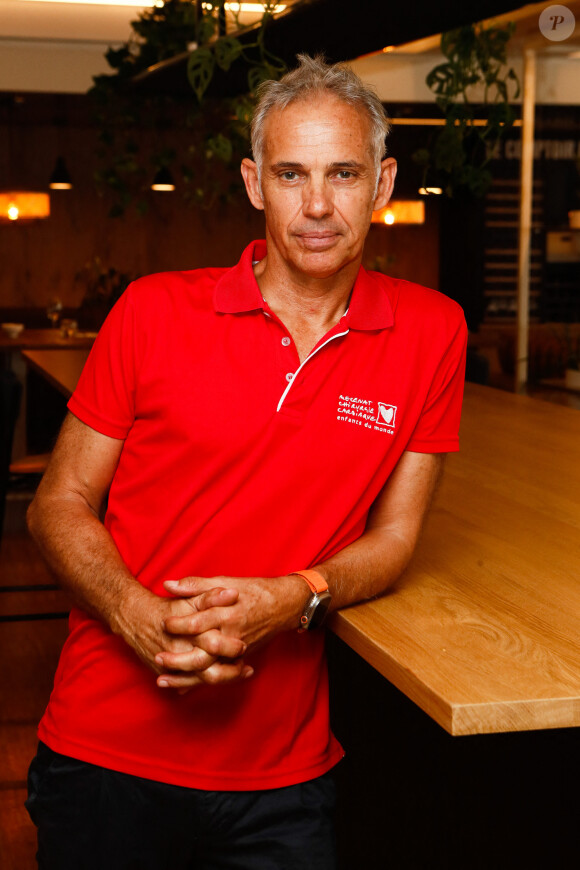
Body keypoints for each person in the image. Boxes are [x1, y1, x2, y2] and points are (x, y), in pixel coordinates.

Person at [26, 54, 467, 869]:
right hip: (104, 753)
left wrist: (294, 599)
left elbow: (398, 538)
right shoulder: (152, 309)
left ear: (382, 183)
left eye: (343, 173)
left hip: (284, 776)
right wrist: (134, 614)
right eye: (292, 174)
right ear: (254, 182)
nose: (318, 206)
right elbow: (57, 503)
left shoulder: (434, 331)